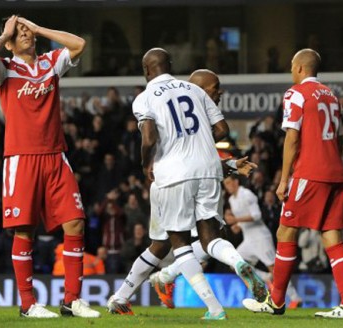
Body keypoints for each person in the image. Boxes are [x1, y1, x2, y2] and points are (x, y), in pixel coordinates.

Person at [106, 68, 263, 318]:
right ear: (198, 86)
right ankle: (221, 278)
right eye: (215, 88)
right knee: (194, 241)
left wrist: (230, 164)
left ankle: (132, 293)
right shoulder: (195, 100)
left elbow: (185, 154)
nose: (219, 93)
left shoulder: (169, 103)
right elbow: (214, 138)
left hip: (174, 178)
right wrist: (226, 163)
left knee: (170, 243)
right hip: (177, 178)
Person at [0, 15, 100, 319]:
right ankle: (28, 304)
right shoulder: (5, 69)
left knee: (76, 223)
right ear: (8, 41)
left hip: (56, 155)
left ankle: (72, 300)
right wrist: (6, 32)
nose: (26, 34)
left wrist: (38, 27)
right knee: (25, 231)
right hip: (21, 158)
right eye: (19, 32)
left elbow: (79, 45)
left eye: (26, 30)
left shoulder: (50, 63)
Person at [242, 48, 343, 319]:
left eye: (293, 66)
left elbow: (292, 138)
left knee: (286, 232)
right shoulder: (331, 96)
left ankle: (276, 301)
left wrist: (284, 180)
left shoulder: (296, 94)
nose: (291, 70)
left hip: (310, 173)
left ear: (301, 69)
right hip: (335, 173)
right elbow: (337, 139)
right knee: (332, 237)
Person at [223, 175, 301, 308]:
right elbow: (244, 217)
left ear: (236, 182)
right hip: (248, 239)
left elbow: (257, 215)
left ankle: (295, 298)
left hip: (260, 237)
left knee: (274, 269)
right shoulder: (232, 199)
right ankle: (265, 277)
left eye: (230, 182)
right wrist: (239, 226)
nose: (228, 186)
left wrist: (236, 221)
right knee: (234, 262)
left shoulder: (247, 194)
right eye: (226, 184)